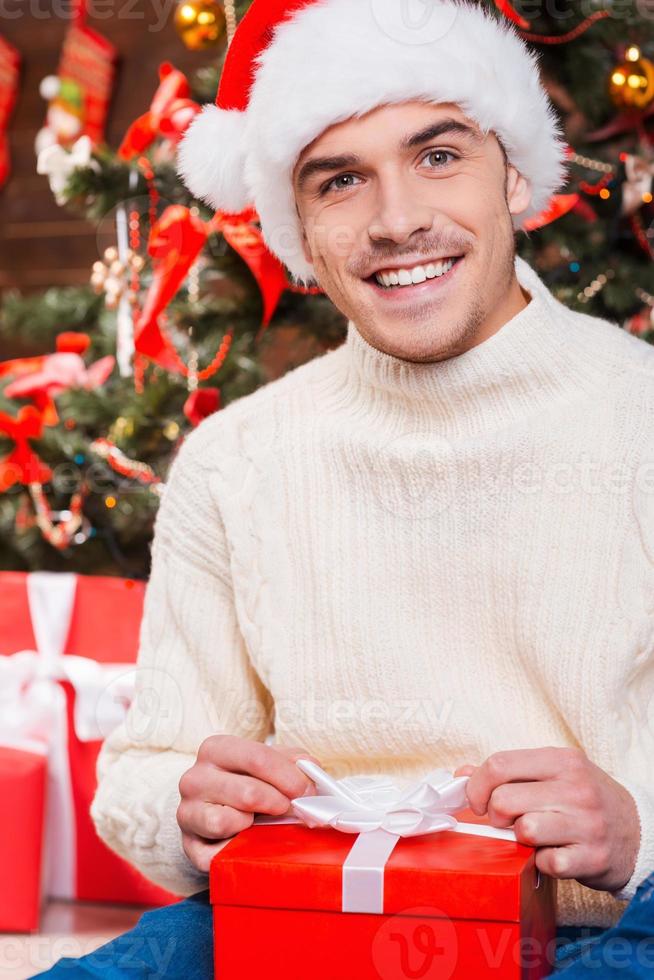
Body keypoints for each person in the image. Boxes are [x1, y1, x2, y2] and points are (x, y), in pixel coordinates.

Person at [34, 0, 654, 976]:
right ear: (298, 230)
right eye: (341, 180)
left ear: (515, 170)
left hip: (605, 916)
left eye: (439, 155)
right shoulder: (236, 461)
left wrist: (635, 824)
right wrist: (189, 807)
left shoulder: (637, 415)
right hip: (304, 899)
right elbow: (145, 774)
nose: (398, 218)